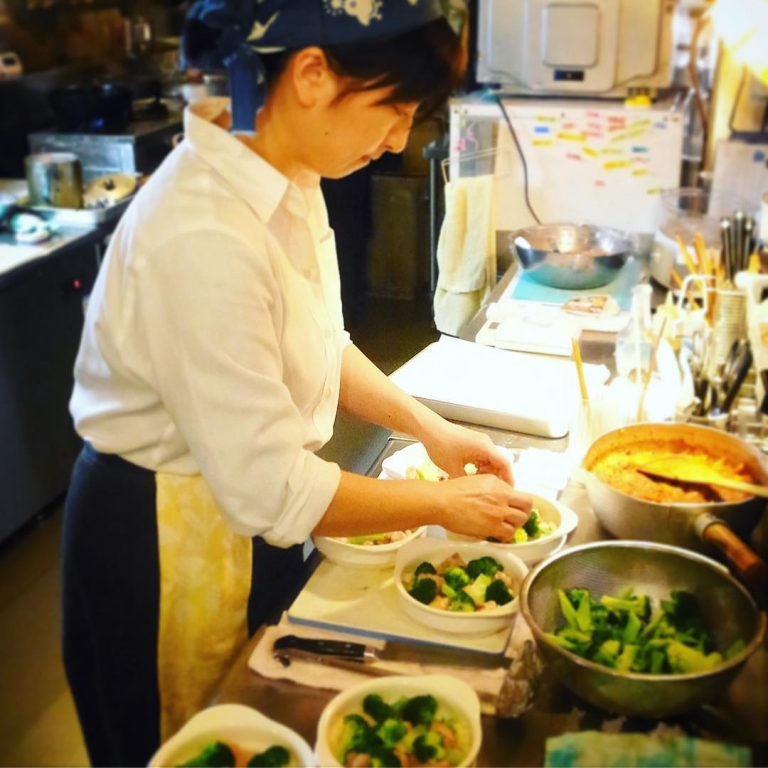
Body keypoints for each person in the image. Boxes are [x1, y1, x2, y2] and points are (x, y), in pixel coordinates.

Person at [61, 1, 533, 765]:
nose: (398, 140)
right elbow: (275, 489)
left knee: (268, 714)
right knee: (191, 741)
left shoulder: (290, 172)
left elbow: (319, 342)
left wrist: (430, 430)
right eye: (394, 110)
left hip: (246, 513)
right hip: (162, 535)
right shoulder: (202, 230)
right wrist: (444, 504)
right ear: (312, 74)